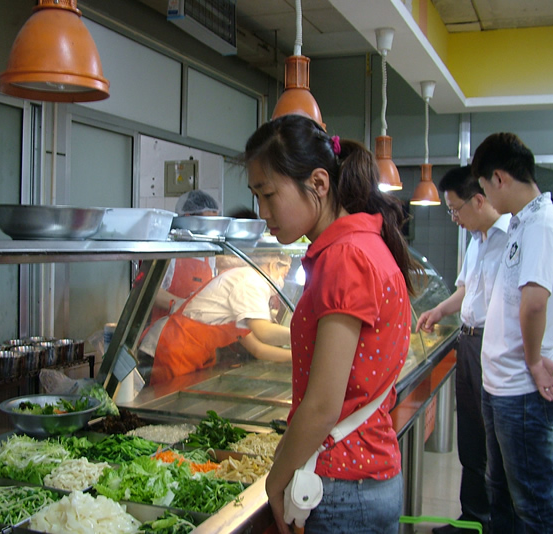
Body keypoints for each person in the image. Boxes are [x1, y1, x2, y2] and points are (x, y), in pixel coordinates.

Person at [244, 114, 422, 534]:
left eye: (268, 194)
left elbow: (324, 405)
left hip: (342, 486)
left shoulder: (345, 257)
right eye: (256, 197)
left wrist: (274, 481)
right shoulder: (360, 245)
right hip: (362, 476)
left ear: (319, 183)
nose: (263, 212)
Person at [416, 167, 553, 534]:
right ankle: (474, 517)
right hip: (472, 342)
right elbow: (467, 290)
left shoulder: (521, 233)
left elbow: (535, 299)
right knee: (474, 442)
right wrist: (440, 310)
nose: (454, 218)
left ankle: (491, 518)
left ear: (481, 197)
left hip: (507, 357)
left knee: (516, 474)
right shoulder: (477, 240)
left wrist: (552, 340)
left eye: (455, 209)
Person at [472, 132, 553, 534]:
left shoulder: (542, 224)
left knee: (532, 503)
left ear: (499, 178)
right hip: (501, 385)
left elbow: (534, 303)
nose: (485, 198)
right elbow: (525, 296)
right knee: (500, 492)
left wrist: (534, 360)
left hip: (523, 390)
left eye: (484, 188)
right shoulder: (522, 222)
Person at [141, 252, 292, 385]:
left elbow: (257, 349)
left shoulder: (248, 283)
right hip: (172, 348)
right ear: (273, 265)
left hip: (190, 352)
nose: (284, 278)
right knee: (164, 401)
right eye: (285, 273)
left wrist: (296, 356)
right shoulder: (251, 282)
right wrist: (301, 336)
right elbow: (263, 331)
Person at [150, 190, 219, 322]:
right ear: (188, 217)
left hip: (195, 329)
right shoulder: (169, 248)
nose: (210, 229)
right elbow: (152, 293)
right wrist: (184, 306)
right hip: (164, 330)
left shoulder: (208, 251)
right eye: (207, 222)